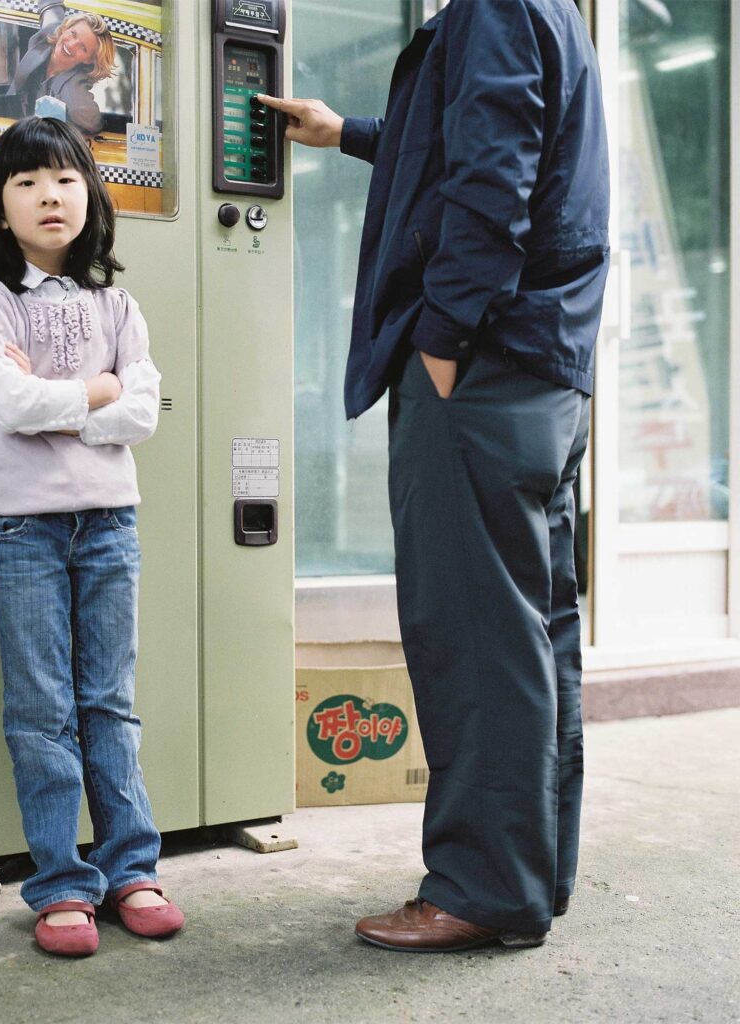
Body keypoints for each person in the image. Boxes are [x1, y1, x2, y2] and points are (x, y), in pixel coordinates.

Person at [260, 0, 609, 952]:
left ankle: (481, 889)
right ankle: (534, 872)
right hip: (545, 371)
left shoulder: (495, 5)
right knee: (534, 632)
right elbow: (464, 146)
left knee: (474, 636)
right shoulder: (549, 12)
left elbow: (493, 178)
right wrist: (348, 135)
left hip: (483, 370)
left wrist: (445, 334)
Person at [0, 115, 184, 957]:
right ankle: (60, 883)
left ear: (91, 195)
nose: (49, 195)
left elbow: (142, 414)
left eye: (64, 179)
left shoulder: (117, 303)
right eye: (26, 182)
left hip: (109, 526)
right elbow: (13, 410)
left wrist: (74, 404)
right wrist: (99, 390)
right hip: (22, 530)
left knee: (109, 703)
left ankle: (134, 868)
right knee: (43, 711)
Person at [3, 11, 116, 134]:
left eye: (83, 47)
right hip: (5, 120)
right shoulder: (45, 38)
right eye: (73, 33)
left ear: (89, 60)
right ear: (65, 28)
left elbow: (94, 125)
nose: (71, 45)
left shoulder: (76, 96)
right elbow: (50, 8)